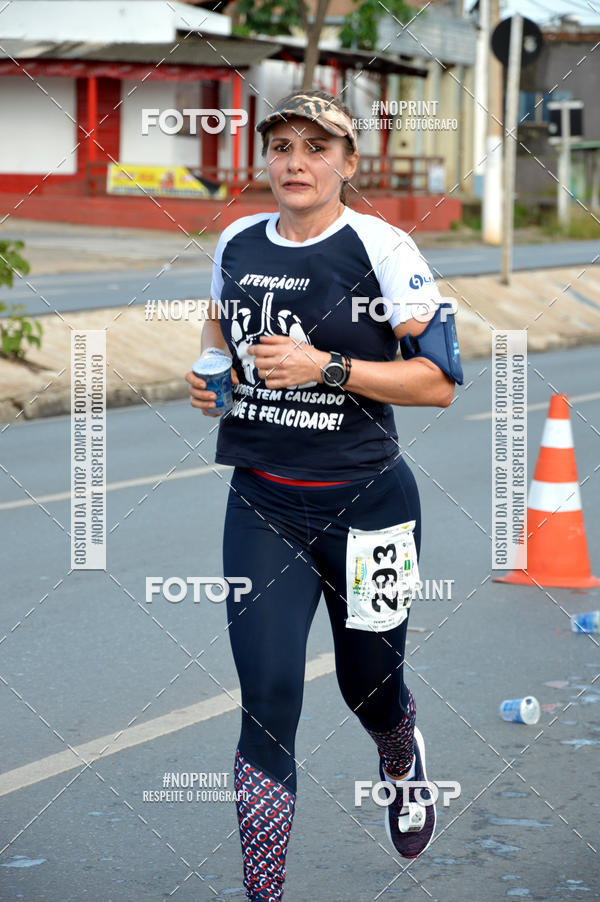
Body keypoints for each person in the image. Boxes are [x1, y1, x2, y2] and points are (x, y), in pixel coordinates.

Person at [185, 89, 463, 901]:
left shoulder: (380, 246)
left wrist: (327, 369)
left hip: (370, 504)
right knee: (266, 700)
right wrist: (214, 379)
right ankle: (262, 890)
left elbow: (439, 382)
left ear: (348, 161)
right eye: (281, 147)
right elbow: (215, 324)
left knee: (367, 683)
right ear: (265, 159)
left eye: (316, 147)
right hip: (263, 502)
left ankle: (400, 753)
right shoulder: (237, 239)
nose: (296, 163)